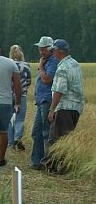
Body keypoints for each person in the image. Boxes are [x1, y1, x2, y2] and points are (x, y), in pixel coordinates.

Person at [42, 39, 84, 173]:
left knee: (56, 139)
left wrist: (52, 109)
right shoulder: (75, 64)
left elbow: (59, 90)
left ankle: (53, 167)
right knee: (67, 139)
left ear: (58, 52)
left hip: (64, 107)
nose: (52, 53)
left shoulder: (62, 68)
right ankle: (64, 166)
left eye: (53, 50)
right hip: (76, 107)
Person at [30, 36, 58, 170]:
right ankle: (37, 161)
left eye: (43, 49)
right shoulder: (46, 59)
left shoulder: (53, 61)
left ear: (50, 49)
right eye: (40, 49)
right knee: (36, 132)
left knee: (46, 133)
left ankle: (47, 163)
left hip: (47, 100)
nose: (41, 52)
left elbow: (47, 79)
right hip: (41, 100)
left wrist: (41, 66)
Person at [7, 45, 31, 151]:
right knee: (20, 119)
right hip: (22, 95)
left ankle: (10, 144)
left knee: (9, 120)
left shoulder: (7, 64)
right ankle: (18, 137)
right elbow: (29, 81)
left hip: (8, 95)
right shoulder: (26, 65)